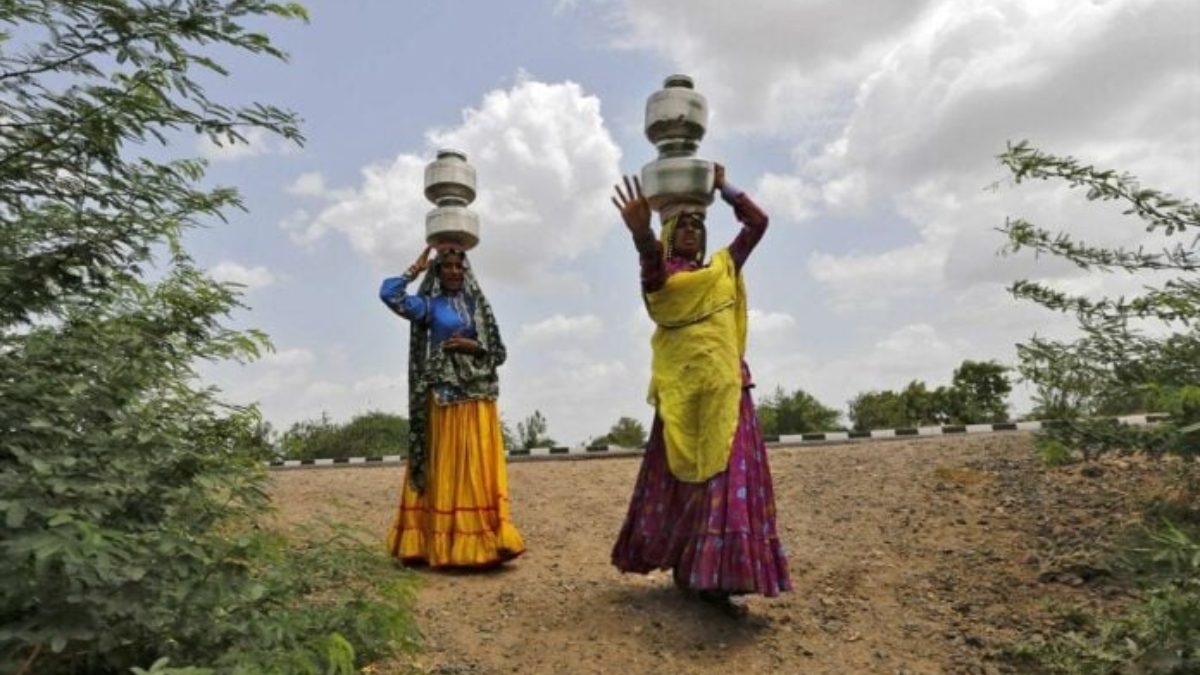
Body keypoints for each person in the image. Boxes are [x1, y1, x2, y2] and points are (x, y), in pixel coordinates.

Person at [609, 165, 792, 614]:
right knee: (684, 483)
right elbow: (653, 275)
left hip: (729, 390)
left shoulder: (723, 268)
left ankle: (717, 575)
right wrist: (641, 236)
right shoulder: (664, 277)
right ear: (669, 233)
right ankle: (688, 566)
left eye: (698, 224)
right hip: (681, 394)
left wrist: (722, 186)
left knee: (727, 481)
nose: (692, 230)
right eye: (682, 224)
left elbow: (759, 223)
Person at [378, 245, 524, 568]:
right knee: (448, 467)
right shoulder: (429, 306)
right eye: (448, 267)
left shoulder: (478, 306)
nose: (455, 271)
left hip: (479, 397)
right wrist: (413, 270)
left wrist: (474, 346)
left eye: (460, 266)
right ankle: (446, 545)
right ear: (438, 272)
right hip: (444, 397)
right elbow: (389, 295)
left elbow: (498, 352)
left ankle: (486, 541)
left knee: (476, 467)